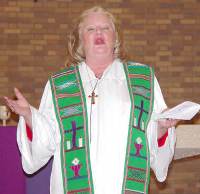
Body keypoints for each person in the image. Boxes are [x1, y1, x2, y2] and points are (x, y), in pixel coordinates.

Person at [5, 6, 178, 194]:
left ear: (115, 38)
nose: (99, 33)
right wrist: (29, 115)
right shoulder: (61, 84)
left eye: (105, 28)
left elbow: (152, 132)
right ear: (81, 41)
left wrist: (161, 129)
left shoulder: (142, 79)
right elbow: (47, 139)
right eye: (91, 29)